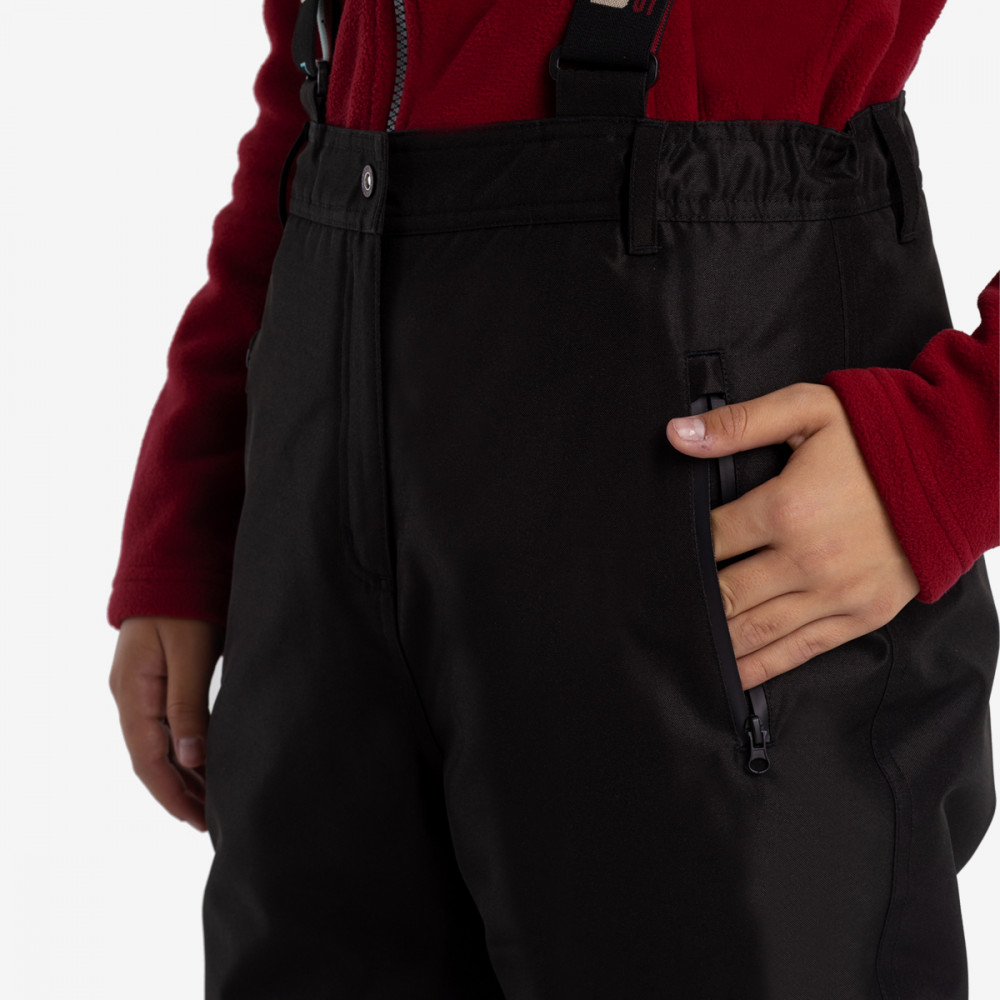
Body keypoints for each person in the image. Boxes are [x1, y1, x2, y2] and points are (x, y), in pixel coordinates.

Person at [107, 1, 999, 997]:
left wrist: (956, 450)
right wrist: (199, 501)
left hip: (705, 429)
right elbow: (318, 87)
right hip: (317, 480)